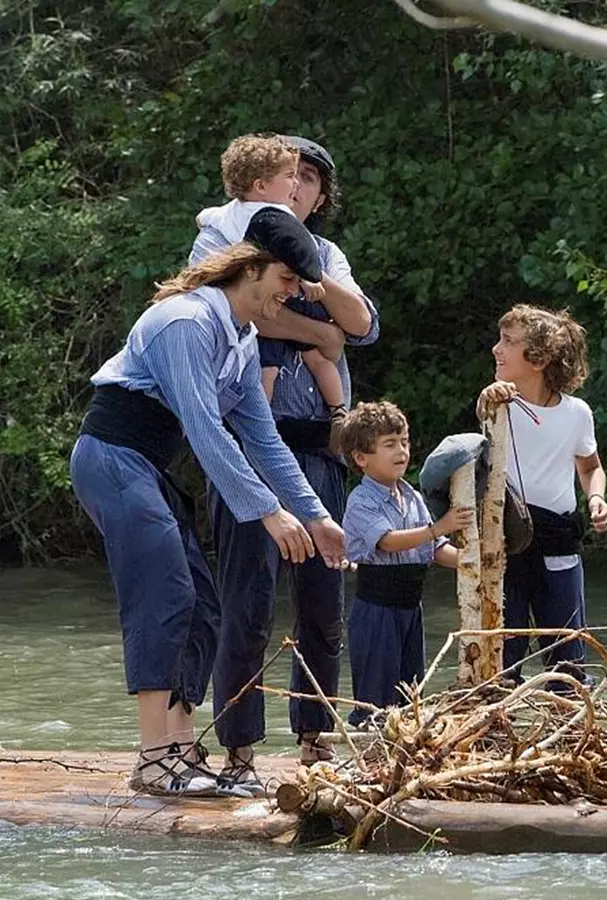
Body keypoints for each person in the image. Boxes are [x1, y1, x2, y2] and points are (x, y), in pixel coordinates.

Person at [68, 209, 348, 797]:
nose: (292, 296)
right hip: (113, 458)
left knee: (203, 602)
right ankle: (154, 759)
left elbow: (264, 439)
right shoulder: (187, 321)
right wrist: (268, 513)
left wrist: (318, 517)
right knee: (165, 593)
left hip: (148, 466)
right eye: (287, 282)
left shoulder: (242, 338)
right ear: (250, 268)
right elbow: (204, 429)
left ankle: (178, 750)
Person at [195, 135, 380, 795]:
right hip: (248, 445)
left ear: (322, 195)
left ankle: (314, 738)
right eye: (288, 175)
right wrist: (316, 330)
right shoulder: (228, 237)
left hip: (319, 448)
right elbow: (231, 313)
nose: (297, 186)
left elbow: (360, 325)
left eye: (309, 179)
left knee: (322, 602)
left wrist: (314, 279)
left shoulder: (326, 255)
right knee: (244, 602)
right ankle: (239, 750)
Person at [477, 305, 607, 683]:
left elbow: (590, 467)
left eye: (508, 342)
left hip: (558, 540)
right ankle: (499, 731)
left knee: (568, 655)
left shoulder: (577, 413)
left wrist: (596, 498)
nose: (496, 349)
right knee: (502, 656)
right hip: (507, 542)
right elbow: (484, 407)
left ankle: (570, 726)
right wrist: (491, 396)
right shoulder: (496, 405)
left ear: (538, 358)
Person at [336, 402, 472, 724]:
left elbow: (436, 549)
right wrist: (439, 527)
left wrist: (472, 563)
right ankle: (370, 761)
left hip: (411, 608)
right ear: (361, 458)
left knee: (411, 694)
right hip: (376, 610)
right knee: (376, 701)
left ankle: (403, 761)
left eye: (404, 442)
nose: (401, 451)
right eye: (390, 444)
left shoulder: (411, 497)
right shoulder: (361, 500)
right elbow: (387, 540)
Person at [192, 134, 345, 421]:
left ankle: (319, 413)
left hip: (265, 307)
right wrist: (310, 279)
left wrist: (201, 219)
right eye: (289, 176)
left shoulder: (231, 213)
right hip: (257, 310)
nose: (295, 184)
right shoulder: (275, 218)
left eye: (303, 177)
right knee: (295, 363)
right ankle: (334, 411)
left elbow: (207, 216)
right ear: (261, 185)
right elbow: (299, 253)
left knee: (270, 370)